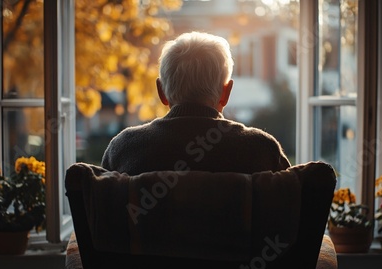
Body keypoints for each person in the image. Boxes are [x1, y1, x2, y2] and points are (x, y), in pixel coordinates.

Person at [101, 31, 291, 175]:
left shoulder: (123, 150)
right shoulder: (262, 151)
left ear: (161, 92)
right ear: (226, 92)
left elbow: (102, 221)